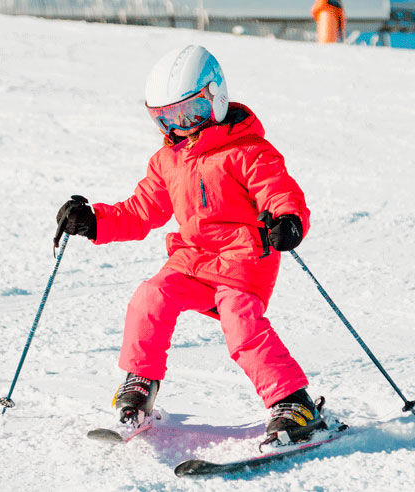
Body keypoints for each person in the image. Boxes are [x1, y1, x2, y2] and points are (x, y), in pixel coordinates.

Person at [55, 45, 326, 444]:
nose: (181, 126)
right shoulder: (168, 160)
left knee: (241, 325)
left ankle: (293, 402)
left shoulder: (249, 151)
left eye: (190, 113)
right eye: (166, 118)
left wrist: (287, 221)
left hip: (242, 260)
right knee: (151, 297)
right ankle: (140, 385)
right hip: (191, 261)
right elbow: (141, 209)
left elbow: (279, 192)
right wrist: (94, 221)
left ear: (215, 98)